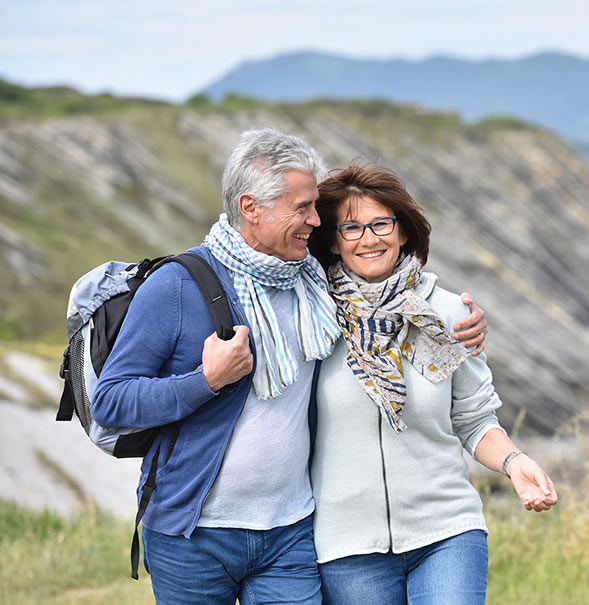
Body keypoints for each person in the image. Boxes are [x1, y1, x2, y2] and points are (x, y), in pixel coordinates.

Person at [92, 129, 487, 605]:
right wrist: (206, 381)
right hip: (192, 533)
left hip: (291, 535)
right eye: (302, 208)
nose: (315, 221)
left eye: (315, 207)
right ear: (250, 207)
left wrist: (458, 321)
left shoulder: (317, 283)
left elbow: (383, 288)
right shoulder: (177, 286)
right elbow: (110, 402)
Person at [307, 162, 557, 605]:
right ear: (332, 240)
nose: (369, 238)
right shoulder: (312, 319)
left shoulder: (448, 315)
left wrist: (515, 463)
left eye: (381, 223)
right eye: (352, 228)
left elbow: (474, 420)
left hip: (447, 532)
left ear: (403, 231)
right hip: (348, 547)